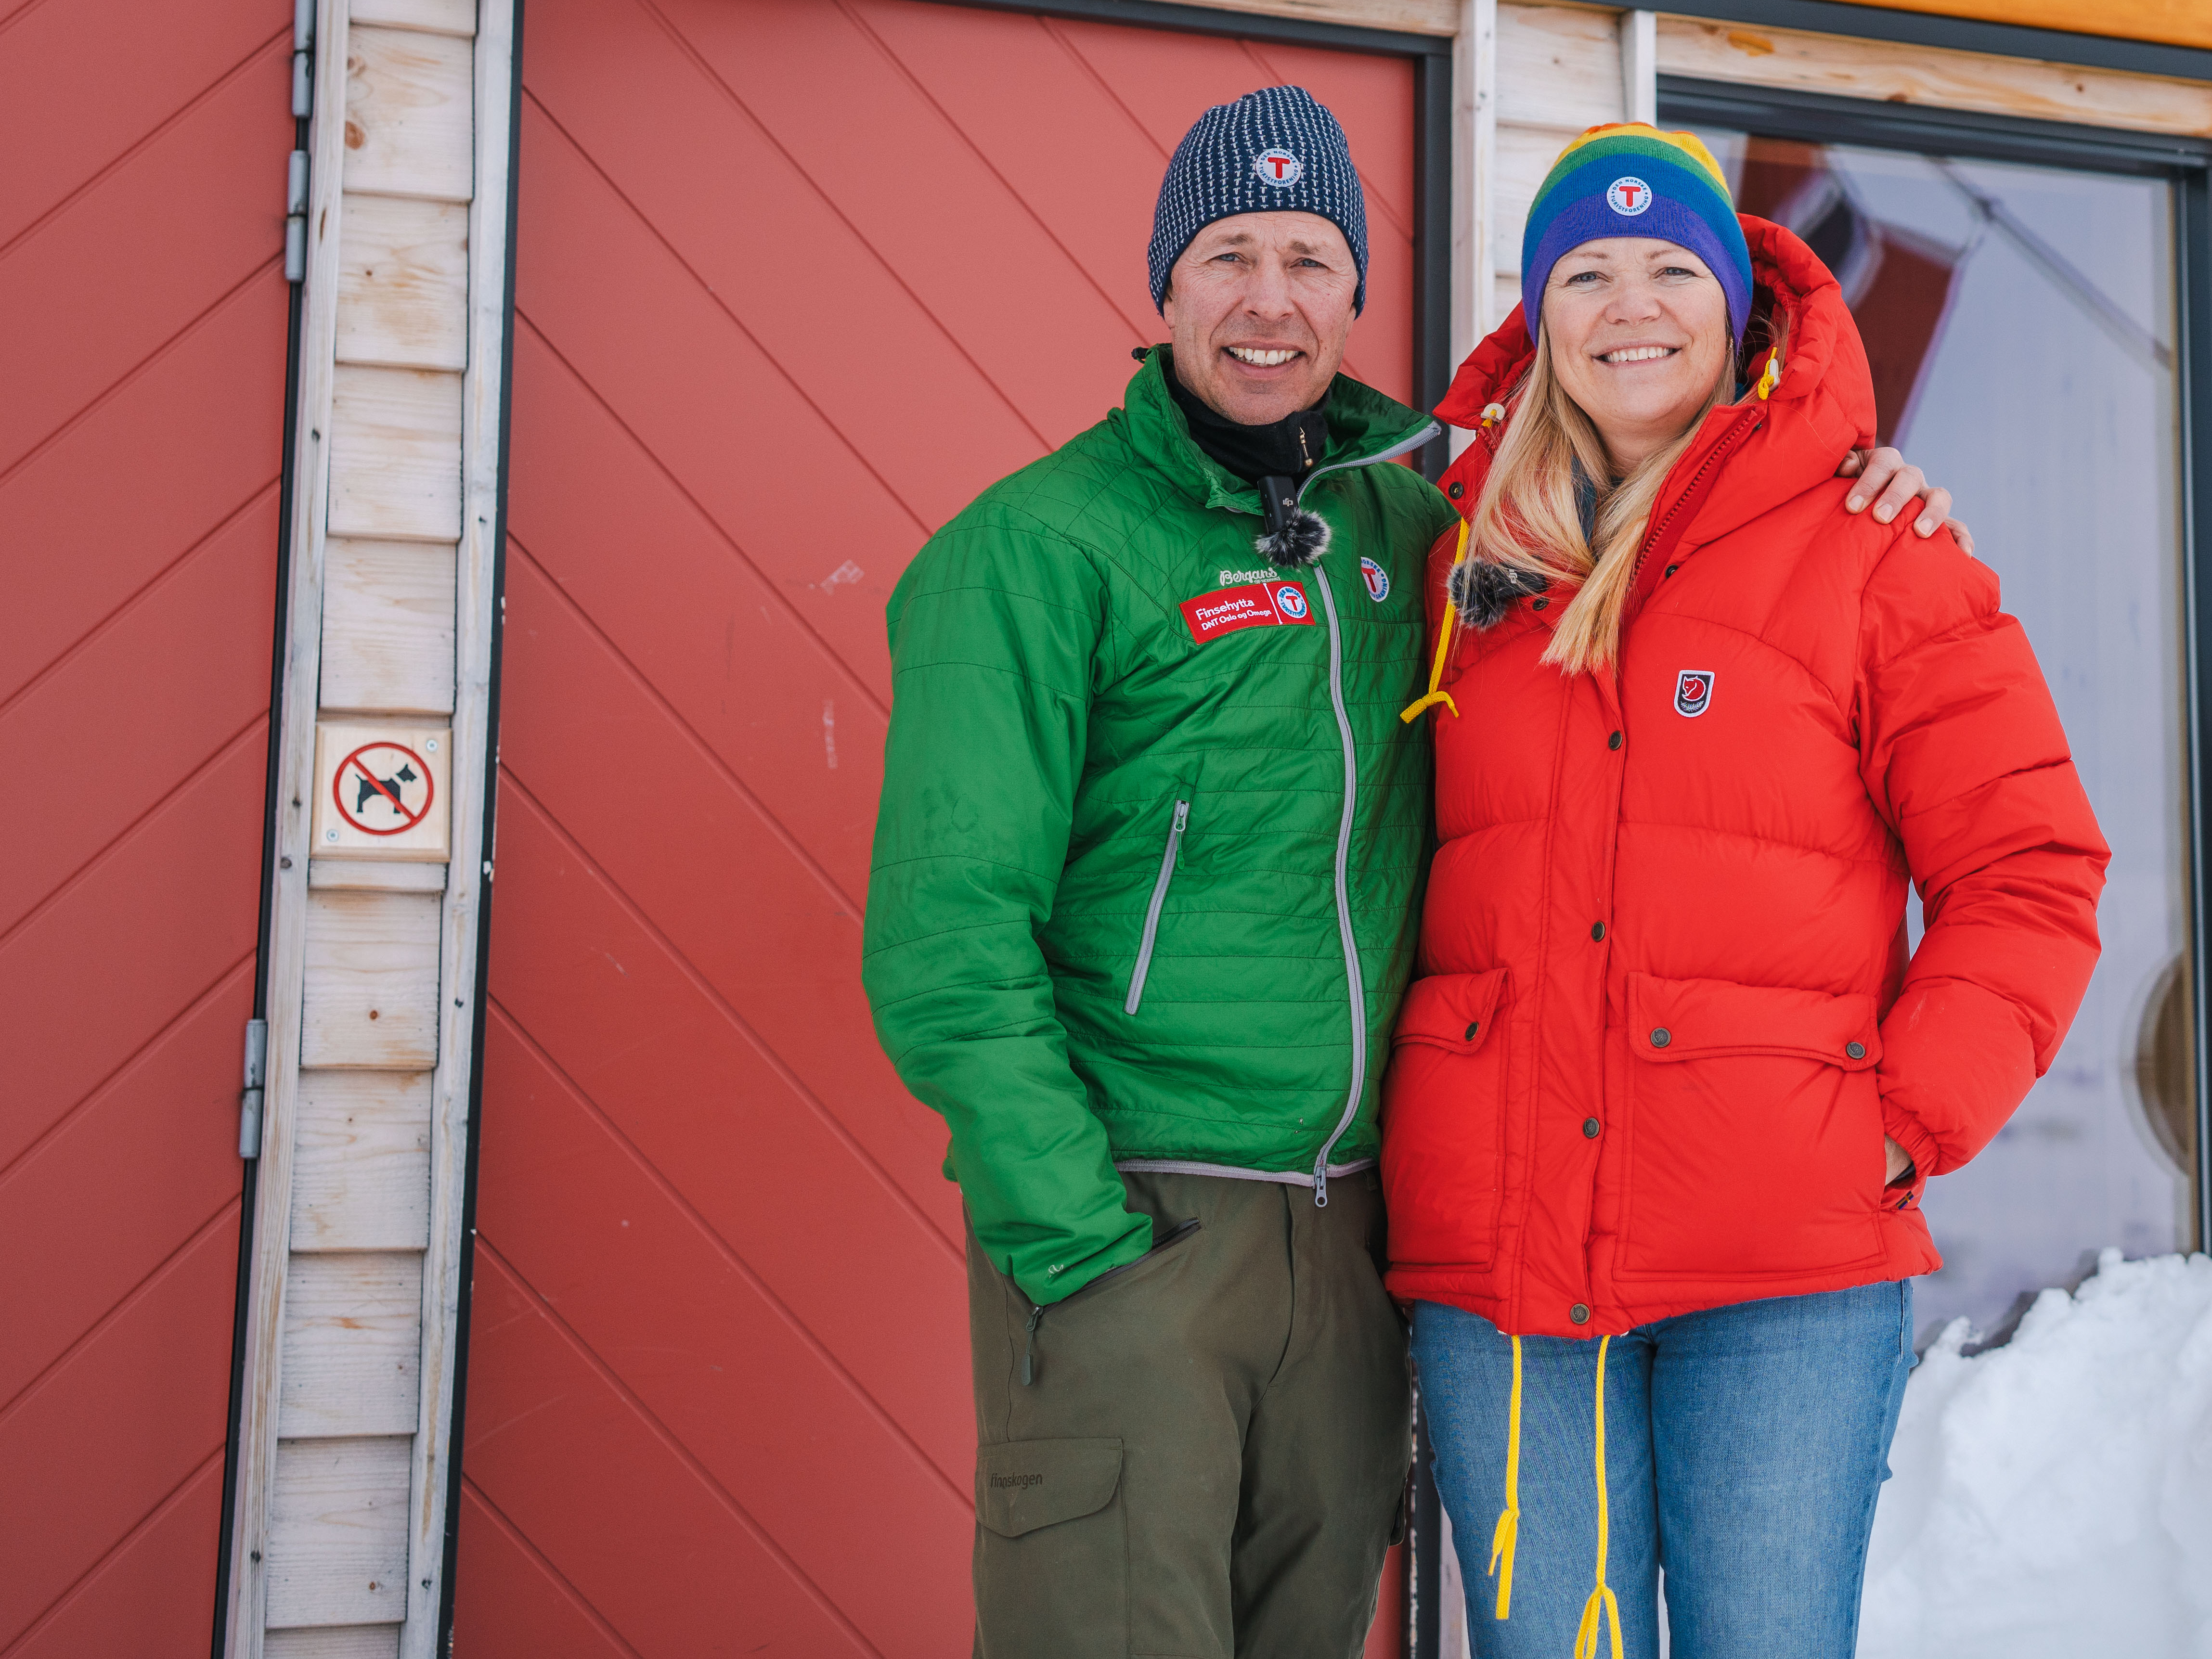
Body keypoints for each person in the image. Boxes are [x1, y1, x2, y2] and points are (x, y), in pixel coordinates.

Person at [862, 86, 1955, 1659]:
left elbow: (1678, 556)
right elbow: (946, 937)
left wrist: (1855, 479)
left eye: (1310, 258)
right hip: (1138, 1213)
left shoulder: (1431, 533)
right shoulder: (1035, 549)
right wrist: (1075, 1236)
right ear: (1163, 286)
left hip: (1359, 1239)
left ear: (1354, 297)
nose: (1269, 299)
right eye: (1228, 255)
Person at [1385, 123, 2109, 1659]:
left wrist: (1897, 1123)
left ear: (1733, 307)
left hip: (1785, 1268)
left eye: (1668, 269)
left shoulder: (1873, 549)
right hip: (1508, 1267)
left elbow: (2027, 868)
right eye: (1586, 274)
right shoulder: (1457, 570)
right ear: (1540, 317)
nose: (1628, 306)